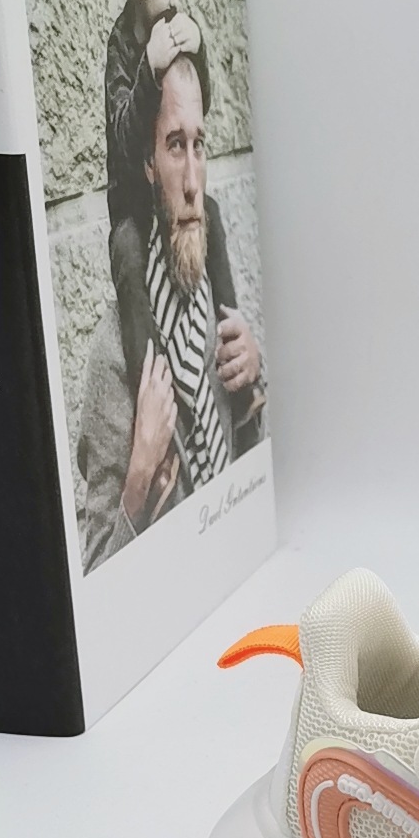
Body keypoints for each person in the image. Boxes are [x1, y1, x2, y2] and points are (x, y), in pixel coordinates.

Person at [80, 53, 265, 572]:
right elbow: (98, 571)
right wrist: (139, 475)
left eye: (198, 146)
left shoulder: (222, 321)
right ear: (148, 164)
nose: (191, 183)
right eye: (175, 146)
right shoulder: (113, 356)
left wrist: (256, 382)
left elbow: (253, 489)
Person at [104, 0, 252, 420]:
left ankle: (235, 352)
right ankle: (156, 394)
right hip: (134, 205)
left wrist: (200, 48)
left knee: (211, 211)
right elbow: (126, 137)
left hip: (169, 193)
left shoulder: (174, 23)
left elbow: (195, 104)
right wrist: (147, 70)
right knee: (127, 250)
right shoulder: (122, 48)